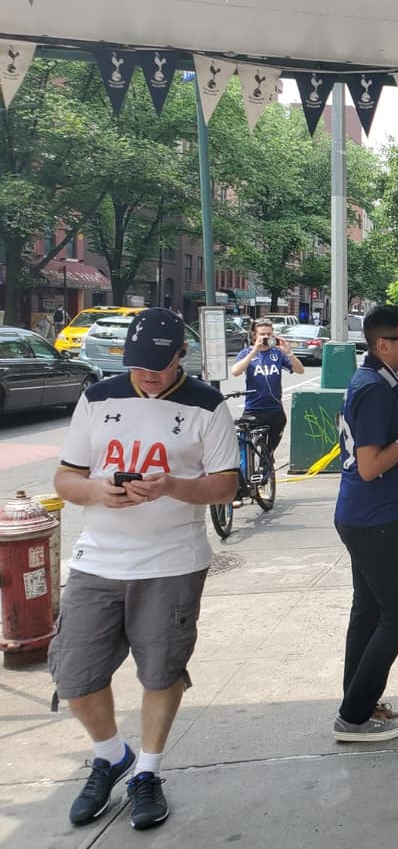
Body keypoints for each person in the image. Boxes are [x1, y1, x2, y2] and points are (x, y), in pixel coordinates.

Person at [51, 308, 238, 830]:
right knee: (75, 676)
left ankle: (148, 770)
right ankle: (112, 755)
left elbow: (226, 485)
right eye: (138, 363)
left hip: (173, 562)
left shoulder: (207, 405)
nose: (146, 374)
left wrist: (172, 485)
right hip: (98, 557)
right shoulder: (99, 397)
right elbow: (66, 478)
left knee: (161, 670)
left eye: (158, 363)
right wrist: (98, 491)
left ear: (181, 355)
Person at [332, 304, 398, 744]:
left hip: (368, 515)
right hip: (372, 517)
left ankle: (358, 703)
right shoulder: (374, 388)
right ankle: (355, 714)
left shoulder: (384, 380)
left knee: (370, 610)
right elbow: (371, 465)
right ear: (381, 345)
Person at [229, 317, 304, 459]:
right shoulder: (246, 353)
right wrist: (253, 352)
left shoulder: (277, 353)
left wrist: (289, 352)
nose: (266, 337)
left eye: (269, 334)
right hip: (254, 408)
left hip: (274, 408)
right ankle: (248, 470)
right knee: (245, 443)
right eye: (262, 334)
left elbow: (300, 370)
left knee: (275, 436)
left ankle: (268, 458)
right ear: (254, 336)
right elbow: (235, 371)